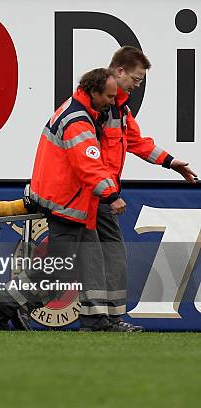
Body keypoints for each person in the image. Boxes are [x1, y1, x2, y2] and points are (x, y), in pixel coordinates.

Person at [0, 68, 133, 332]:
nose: (113, 102)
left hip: (72, 202)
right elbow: (88, 165)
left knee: (86, 263)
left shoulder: (79, 110)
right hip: (67, 203)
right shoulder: (78, 120)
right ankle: (7, 301)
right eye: (109, 96)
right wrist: (112, 195)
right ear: (94, 91)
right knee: (60, 269)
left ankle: (95, 321)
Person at [95, 46, 197, 330]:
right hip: (97, 195)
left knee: (81, 257)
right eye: (136, 79)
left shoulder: (119, 109)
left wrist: (170, 162)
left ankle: (14, 299)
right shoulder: (101, 108)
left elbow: (137, 143)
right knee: (109, 257)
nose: (137, 86)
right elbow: (87, 158)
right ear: (119, 71)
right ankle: (110, 321)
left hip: (99, 193)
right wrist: (110, 193)